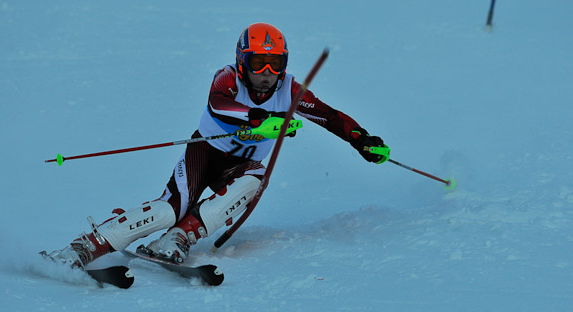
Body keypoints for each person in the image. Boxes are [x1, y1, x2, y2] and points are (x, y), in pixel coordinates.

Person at [45, 22, 388, 268]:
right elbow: (217, 104)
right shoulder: (228, 77)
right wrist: (256, 118)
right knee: (169, 208)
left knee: (256, 179)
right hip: (205, 153)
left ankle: (176, 240)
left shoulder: (289, 90)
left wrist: (362, 140)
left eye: (276, 63)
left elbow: (329, 116)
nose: (267, 72)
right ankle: (85, 247)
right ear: (242, 61)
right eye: (258, 63)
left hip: (240, 167)